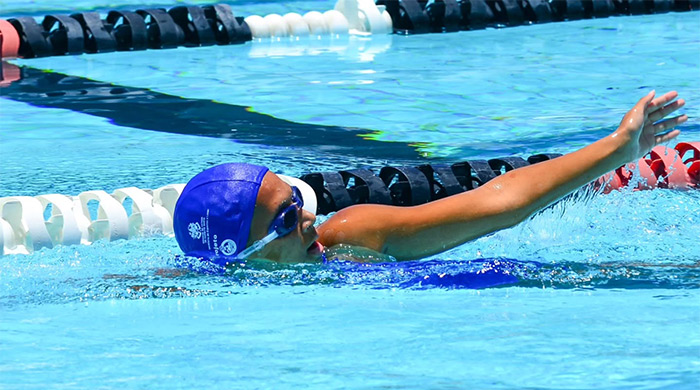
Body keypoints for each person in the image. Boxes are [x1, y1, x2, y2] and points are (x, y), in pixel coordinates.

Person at [173, 90, 687, 264]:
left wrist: (616, 149)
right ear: (246, 254)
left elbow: (500, 204)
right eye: (286, 217)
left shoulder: (352, 234)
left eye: (298, 198)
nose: (309, 216)